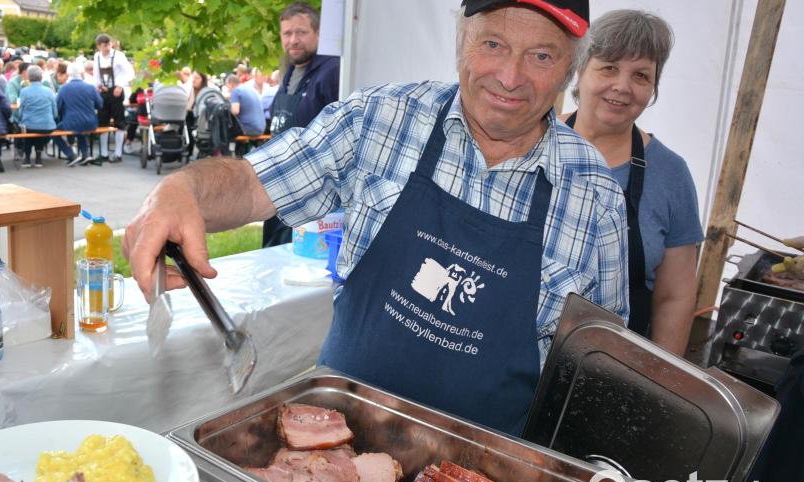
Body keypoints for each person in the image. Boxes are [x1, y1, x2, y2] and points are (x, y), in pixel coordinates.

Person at [123, 0, 629, 435]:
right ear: (460, 40)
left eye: (541, 55)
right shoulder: (381, 119)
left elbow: (592, 377)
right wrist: (182, 190)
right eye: (492, 44)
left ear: (570, 71)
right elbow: (255, 183)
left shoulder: (597, 199)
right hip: (333, 446)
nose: (510, 76)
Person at [562, 10, 702, 355]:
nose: (622, 87)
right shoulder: (531, 139)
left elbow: (674, 297)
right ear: (580, 71)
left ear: (653, 88)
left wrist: (658, 383)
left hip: (608, 367)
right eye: (608, 67)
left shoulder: (671, 174)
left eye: (641, 75)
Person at [263, 1, 341, 247]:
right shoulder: (290, 72)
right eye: (287, 33)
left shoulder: (333, 71)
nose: (293, 40)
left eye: (301, 32)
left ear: (318, 34)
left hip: (310, 193)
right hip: (278, 184)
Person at [93, 33, 134, 163]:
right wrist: (98, 86)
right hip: (104, 92)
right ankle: (104, 153)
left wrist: (120, 85)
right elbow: (96, 75)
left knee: (119, 122)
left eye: (109, 44)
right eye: (105, 45)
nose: (108, 47)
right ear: (99, 46)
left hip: (116, 91)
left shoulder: (119, 56)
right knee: (103, 122)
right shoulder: (97, 56)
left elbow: (130, 72)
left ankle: (118, 154)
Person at [54, 61, 103, 166]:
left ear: (68, 74)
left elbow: (57, 108)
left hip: (71, 122)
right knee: (79, 127)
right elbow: (100, 104)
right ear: (82, 73)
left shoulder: (64, 89)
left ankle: (71, 154)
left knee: (54, 133)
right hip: (91, 122)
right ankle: (85, 154)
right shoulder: (90, 87)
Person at [16, 65, 58, 168]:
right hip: (47, 125)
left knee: (27, 129)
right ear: (41, 77)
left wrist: (20, 119)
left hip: (30, 125)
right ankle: (38, 157)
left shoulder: (24, 91)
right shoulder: (49, 91)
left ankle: (27, 158)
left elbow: (21, 112)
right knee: (40, 128)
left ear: (29, 77)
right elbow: (55, 112)